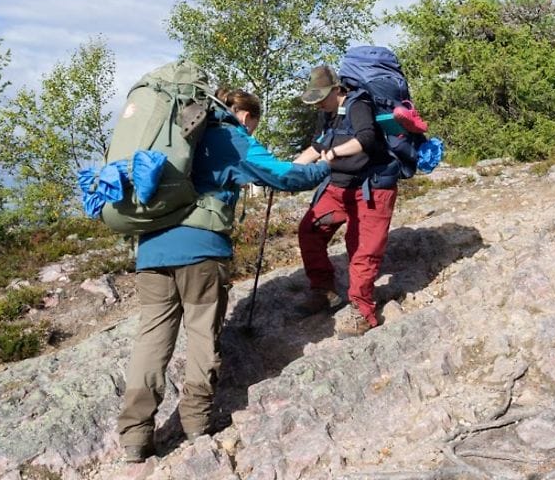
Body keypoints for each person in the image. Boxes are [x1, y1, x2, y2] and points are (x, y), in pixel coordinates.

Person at [117, 88, 329, 463]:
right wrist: (326, 165)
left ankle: (135, 438)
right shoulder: (230, 136)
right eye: (254, 125)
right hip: (201, 252)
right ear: (245, 116)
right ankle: (196, 423)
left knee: (151, 341)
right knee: (202, 334)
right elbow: (281, 175)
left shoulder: (170, 135)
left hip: (150, 251)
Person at [293, 65, 399, 338]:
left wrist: (333, 154)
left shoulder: (358, 105)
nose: (318, 104)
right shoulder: (327, 114)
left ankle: (363, 312)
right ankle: (324, 291)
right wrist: (288, 171)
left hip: (372, 189)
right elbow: (317, 146)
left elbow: (366, 138)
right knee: (310, 231)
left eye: (321, 98)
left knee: (363, 252)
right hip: (338, 188)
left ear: (336, 90)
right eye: (314, 99)